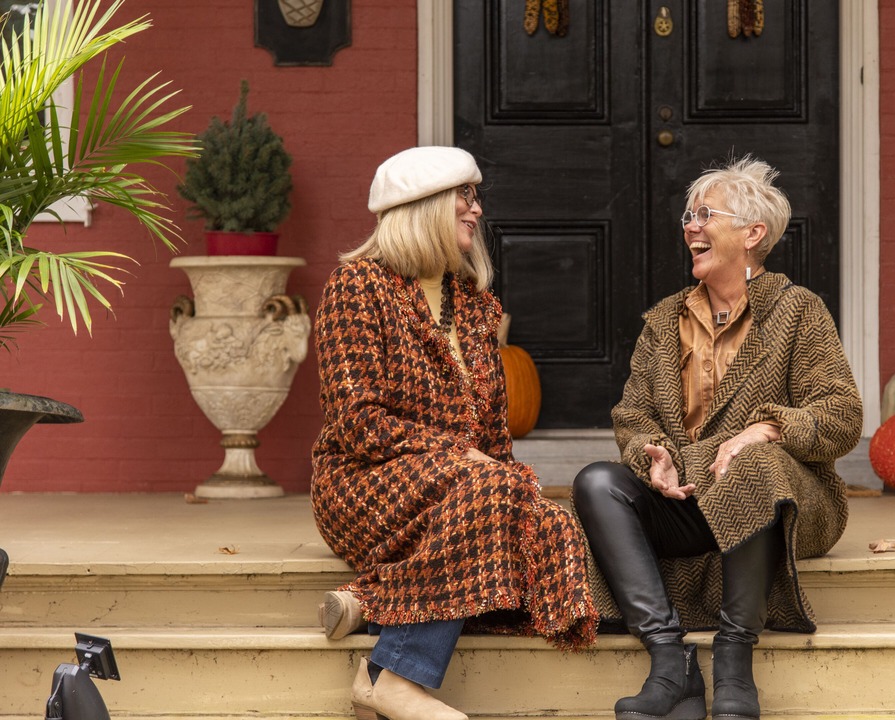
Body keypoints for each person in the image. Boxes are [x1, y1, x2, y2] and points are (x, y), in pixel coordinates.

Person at [312, 146, 598, 720]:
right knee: (493, 493)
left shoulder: (473, 302)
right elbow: (355, 421)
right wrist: (465, 458)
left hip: (459, 487)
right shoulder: (357, 286)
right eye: (463, 196)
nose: (477, 209)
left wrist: (503, 484)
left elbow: (493, 438)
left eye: (476, 196)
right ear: (422, 206)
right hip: (364, 481)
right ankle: (395, 678)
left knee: (552, 523)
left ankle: (370, 607)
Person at [573, 156, 862, 720]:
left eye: (706, 214)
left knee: (754, 461)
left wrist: (767, 428)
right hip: (688, 499)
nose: (691, 227)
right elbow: (633, 413)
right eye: (688, 216)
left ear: (753, 234)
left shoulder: (798, 311)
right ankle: (669, 660)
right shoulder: (664, 321)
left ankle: (734, 659)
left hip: (780, 503)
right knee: (597, 482)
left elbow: (842, 415)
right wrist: (653, 455)